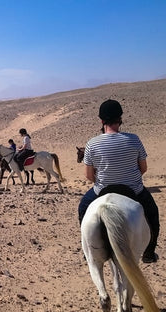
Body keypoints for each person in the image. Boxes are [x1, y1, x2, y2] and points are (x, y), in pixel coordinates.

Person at [78, 99, 160, 263]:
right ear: (120, 118)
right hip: (134, 190)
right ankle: (150, 251)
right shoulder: (133, 139)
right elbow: (143, 168)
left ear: (101, 120)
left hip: (101, 190)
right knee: (153, 214)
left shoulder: (92, 144)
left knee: (83, 209)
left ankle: (87, 249)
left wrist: (104, 180)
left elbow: (88, 176)